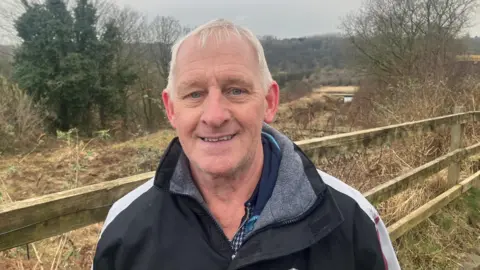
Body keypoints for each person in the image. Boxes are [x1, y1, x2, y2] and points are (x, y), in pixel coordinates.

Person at [92, 18, 401, 270]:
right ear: (171, 108)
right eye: (194, 94)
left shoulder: (348, 217)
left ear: (269, 101)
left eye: (236, 90)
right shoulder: (126, 228)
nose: (214, 116)